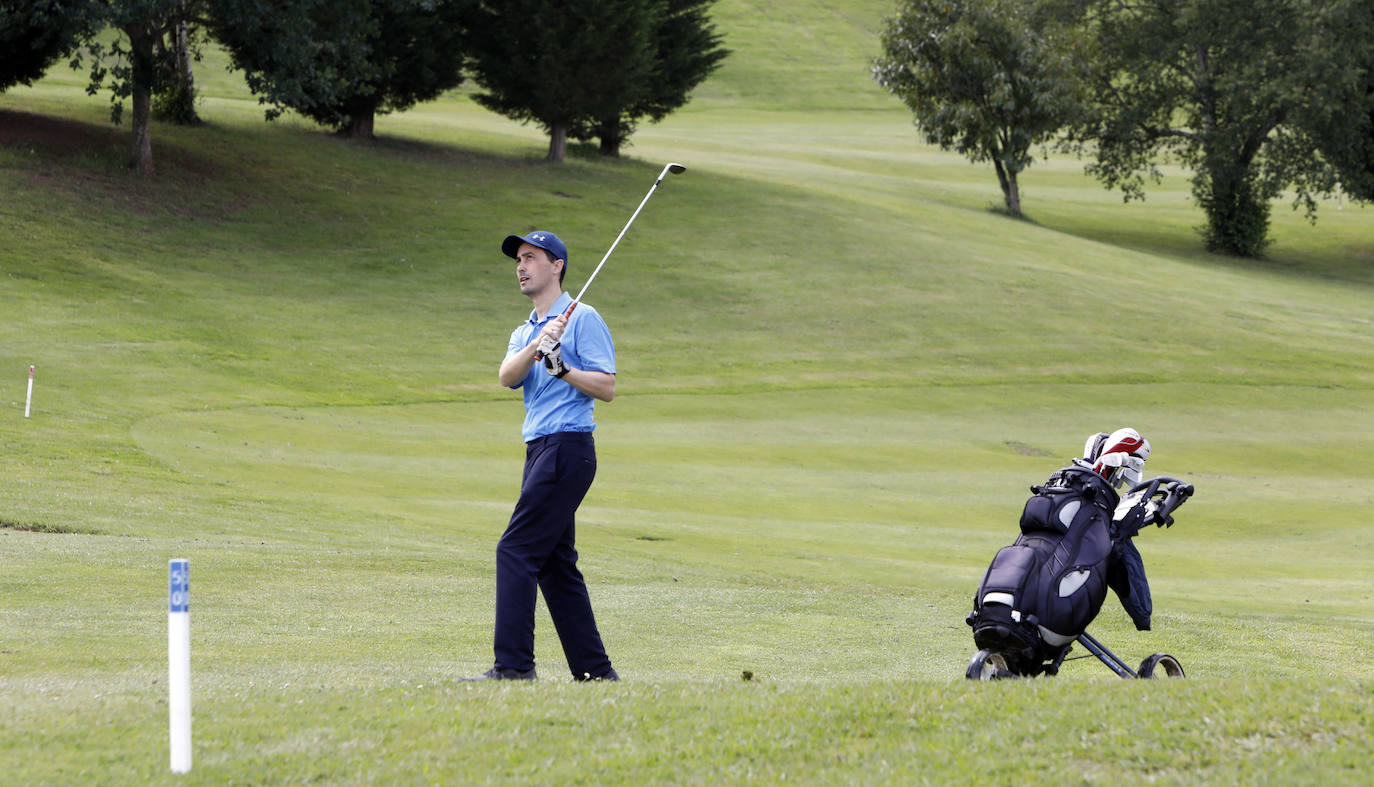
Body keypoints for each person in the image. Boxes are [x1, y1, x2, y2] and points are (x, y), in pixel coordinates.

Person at [463, 230, 620, 682]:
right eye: (518, 259)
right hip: (539, 451)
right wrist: (539, 344)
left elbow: (607, 388)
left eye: (531, 257)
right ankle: (595, 673)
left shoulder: (584, 317)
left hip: (567, 447)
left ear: (558, 266)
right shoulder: (525, 330)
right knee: (554, 563)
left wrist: (564, 368)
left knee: (514, 549)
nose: (521, 265)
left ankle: (513, 668)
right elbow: (506, 376)